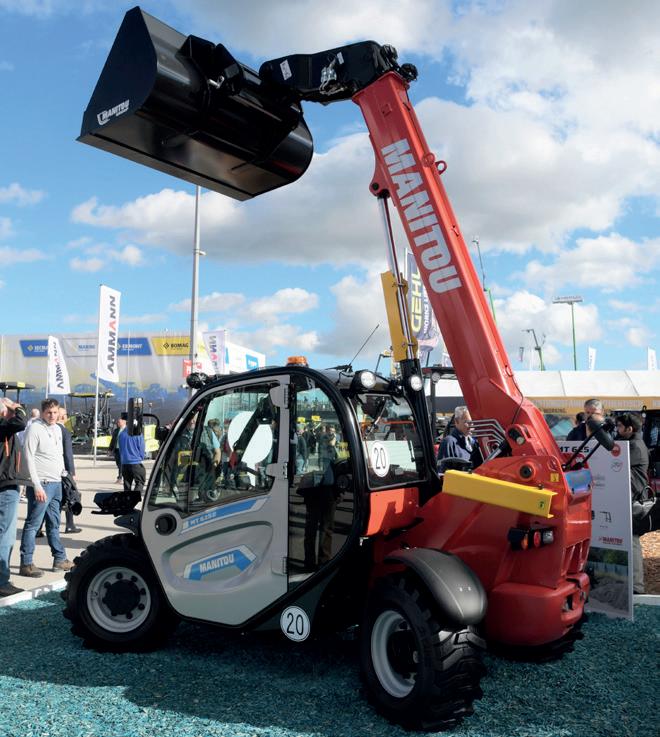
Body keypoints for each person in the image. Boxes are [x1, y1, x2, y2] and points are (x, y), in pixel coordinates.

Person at [19, 398, 73, 578]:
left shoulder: (58, 429)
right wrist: (36, 485)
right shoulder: (34, 429)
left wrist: (65, 478)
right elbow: (28, 457)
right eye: (49, 412)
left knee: (54, 524)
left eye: (55, 412)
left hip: (56, 483)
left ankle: (59, 559)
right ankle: (26, 563)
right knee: (33, 525)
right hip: (42, 484)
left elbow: (59, 455)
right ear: (43, 412)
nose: (52, 415)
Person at [615, 412, 650, 594]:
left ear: (630, 428)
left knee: (632, 539)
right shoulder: (632, 443)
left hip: (632, 497)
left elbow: (616, 464)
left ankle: (636, 586)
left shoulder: (634, 446)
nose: (617, 429)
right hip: (628, 496)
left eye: (620, 426)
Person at [0, 397, 27, 596]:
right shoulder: (3, 426)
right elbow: (21, 422)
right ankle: (2, 581)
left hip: (6, 483)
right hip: (5, 485)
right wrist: (16, 407)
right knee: (6, 535)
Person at [118, 421, 146, 504]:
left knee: (127, 485)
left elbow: (120, 449)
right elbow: (141, 448)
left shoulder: (121, 434)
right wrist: (141, 457)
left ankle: (126, 503)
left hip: (125, 463)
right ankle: (133, 501)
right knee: (140, 482)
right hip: (136, 462)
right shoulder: (138, 434)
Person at [108, 416, 126, 483]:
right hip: (117, 449)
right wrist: (110, 449)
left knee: (121, 464)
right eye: (117, 422)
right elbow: (113, 440)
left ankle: (120, 478)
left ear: (124, 422)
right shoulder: (116, 430)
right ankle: (123, 475)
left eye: (119, 422)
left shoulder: (127, 430)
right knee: (118, 464)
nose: (118, 423)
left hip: (123, 450)